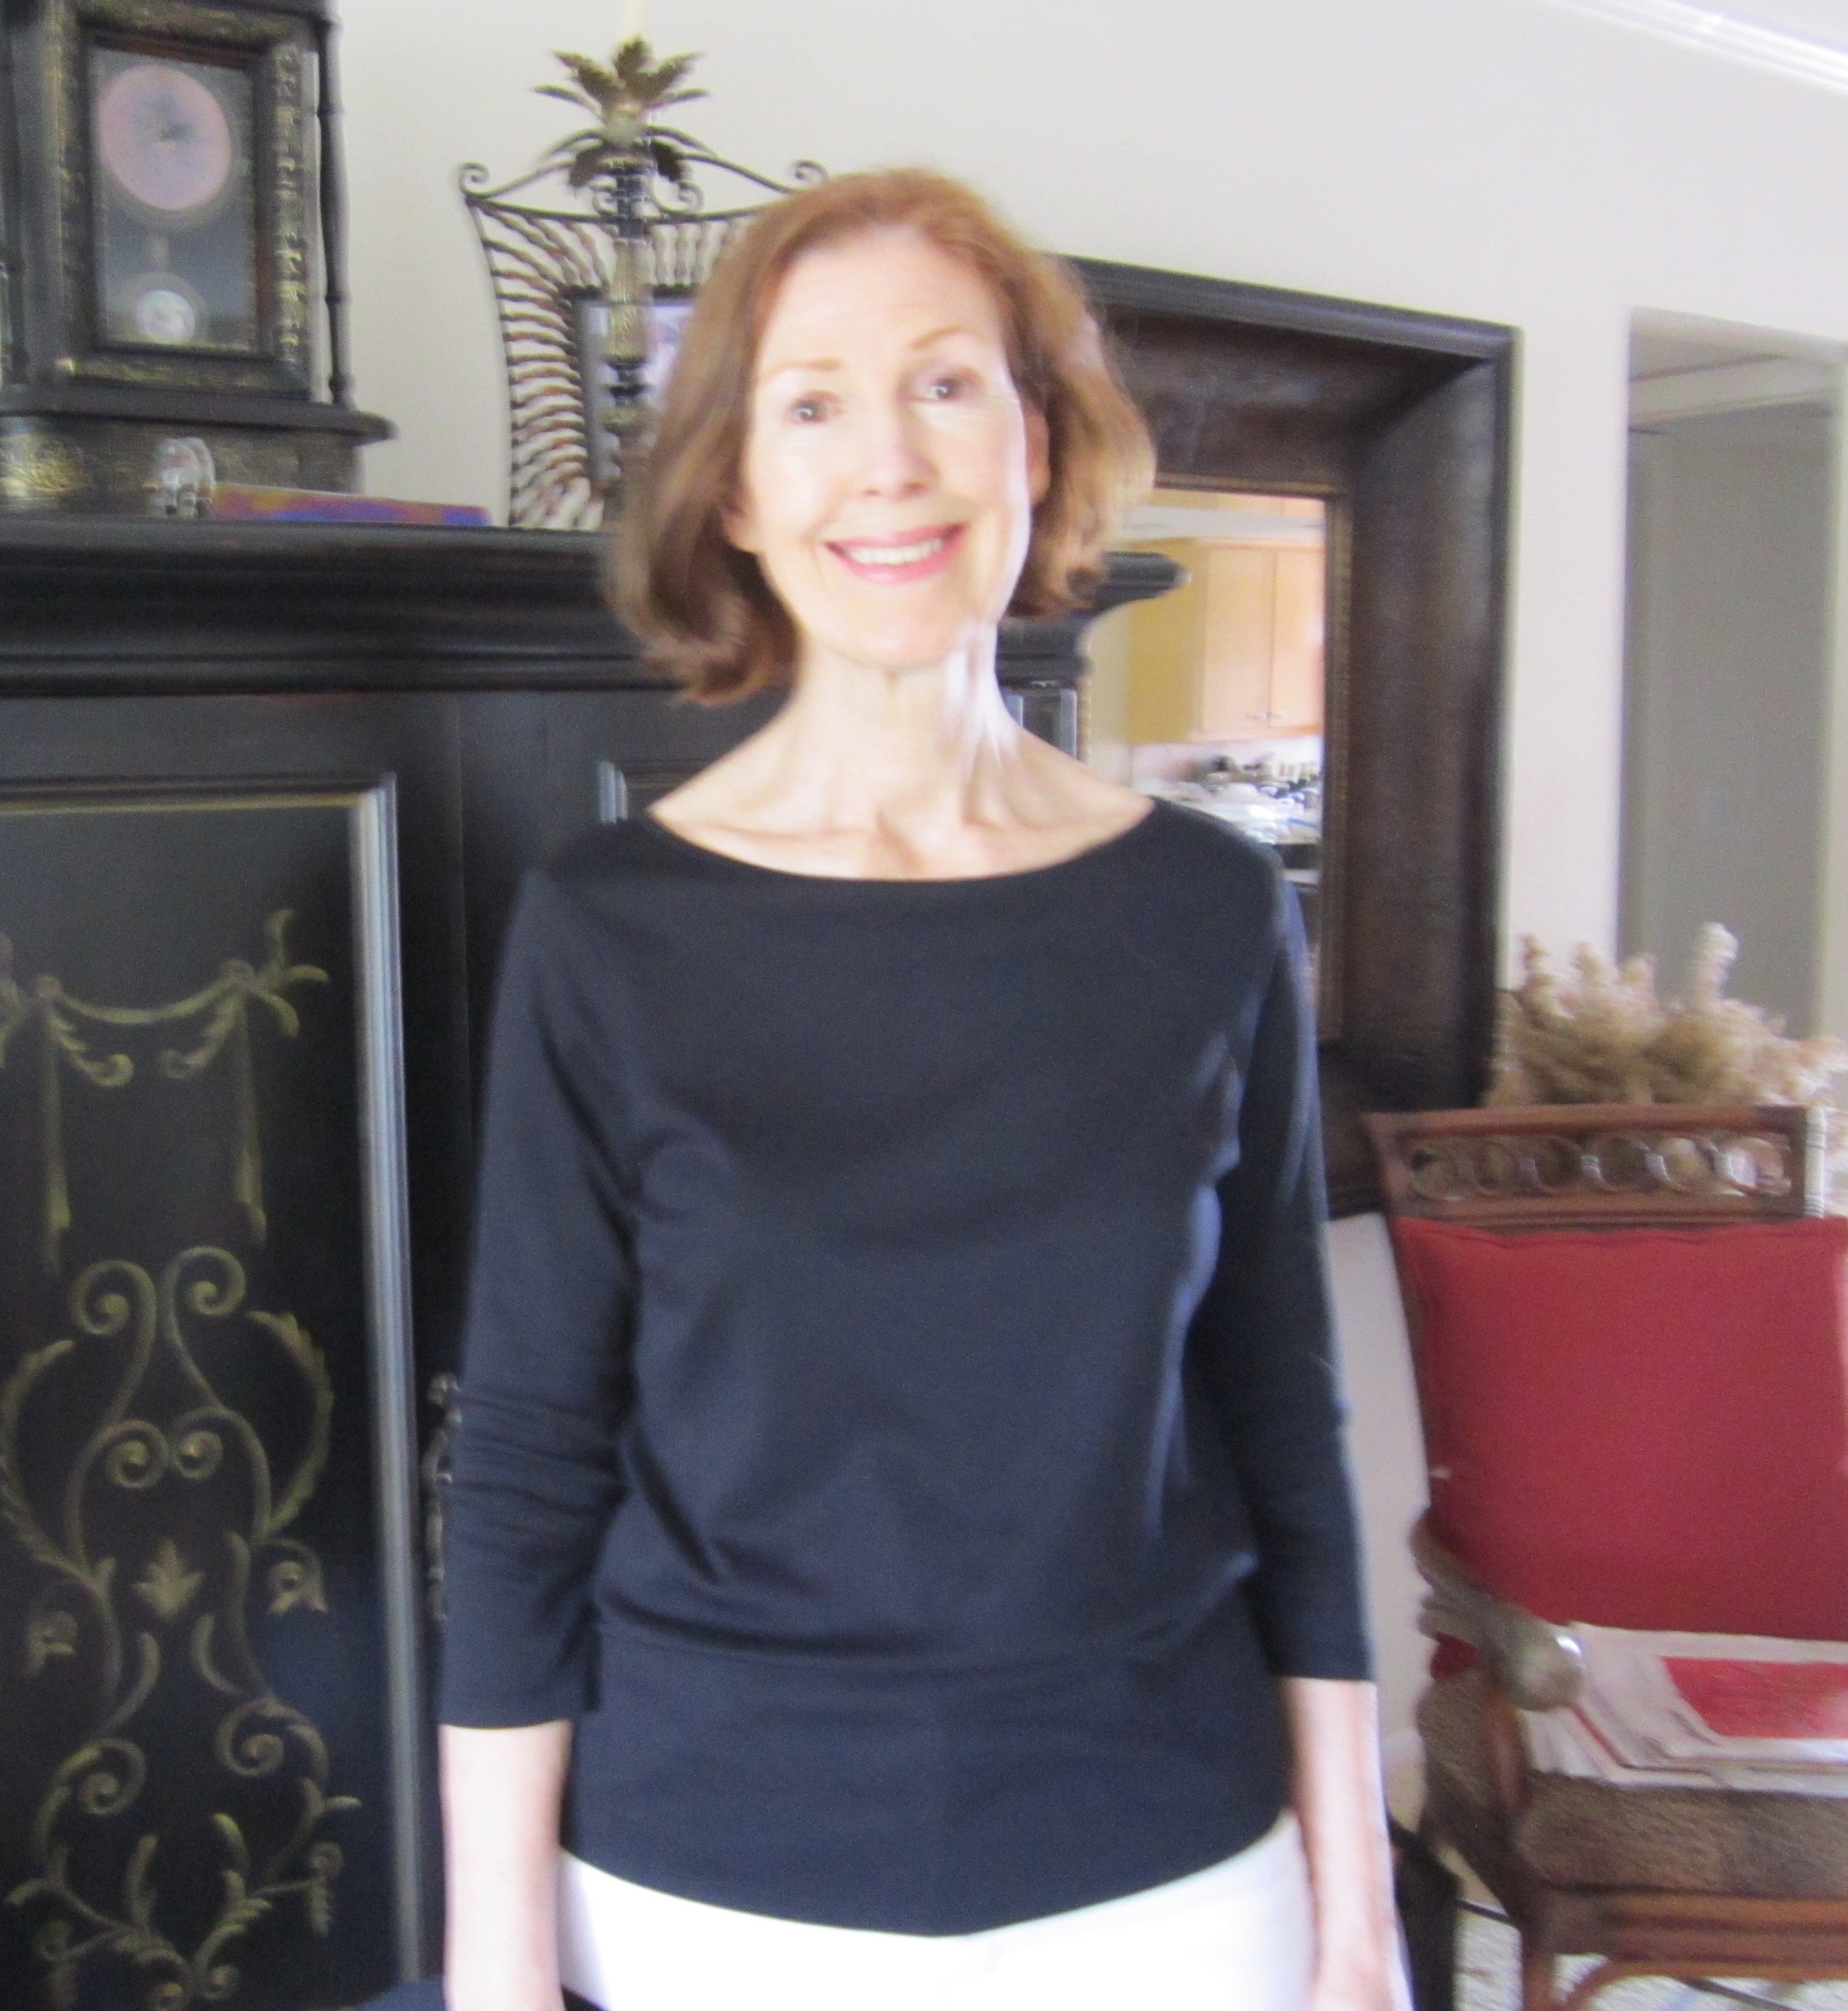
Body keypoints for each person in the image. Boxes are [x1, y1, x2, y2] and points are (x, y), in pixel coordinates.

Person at [435, 166, 1410, 2011]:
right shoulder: (608, 932)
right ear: (737, 491)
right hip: (715, 1889)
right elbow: (529, 1468)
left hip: (1167, 1872)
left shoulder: (1208, 912)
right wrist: (494, 1971)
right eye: (811, 405)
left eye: (945, 384)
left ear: (1034, 444)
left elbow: (1287, 1418)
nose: (886, 462)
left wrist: (1356, 1909)